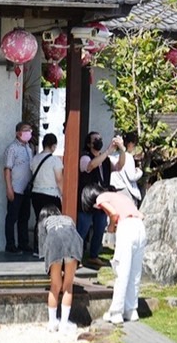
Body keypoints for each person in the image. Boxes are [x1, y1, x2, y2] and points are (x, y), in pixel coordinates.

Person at [93, 183, 146, 325]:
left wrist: (110, 229)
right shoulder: (123, 197)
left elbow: (114, 214)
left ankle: (116, 313)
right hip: (140, 227)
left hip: (127, 227)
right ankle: (131, 310)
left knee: (122, 272)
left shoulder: (101, 197)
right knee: (135, 273)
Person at [38, 202, 82, 332]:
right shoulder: (68, 218)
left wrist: (49, 264)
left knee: (55, 285)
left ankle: (52, 322)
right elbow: (73, 233)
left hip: (54, 242)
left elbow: (43, 248)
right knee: (68, 285)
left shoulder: (44, 223)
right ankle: (64, 323)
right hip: (73, 242)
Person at [77, 131, 115, 266]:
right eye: (95, 140)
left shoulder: (106, 160)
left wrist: (121, 150)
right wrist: (107, 152)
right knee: (83, 228)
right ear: (89, 143)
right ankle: (76, 257)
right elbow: (90, 166)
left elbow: (119, 167)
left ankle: (94, 255)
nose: (98, 141)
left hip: (102, 199)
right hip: (87, 200)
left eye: (100, 139)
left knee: (100, 228)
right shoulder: (85, 158)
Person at [28, 134, 64, 255]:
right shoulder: (55, 161)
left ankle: (37, 249)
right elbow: (59, 179)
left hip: (36, 194)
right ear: (53, 146)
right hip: (51, 194)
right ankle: (51, 249)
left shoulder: (35, 159)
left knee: (39, 220)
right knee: (53, 222)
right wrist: (63, 194)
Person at [2, 122, 35, 254]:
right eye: (25, 130)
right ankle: (10, 244)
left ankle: (23, 243)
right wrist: (9, 188)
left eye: (29, 130)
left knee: (24, 217)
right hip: (15, 188)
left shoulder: (29, 148)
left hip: (26, 189)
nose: (28, 132)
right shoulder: (12, 148)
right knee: (12, 217)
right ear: (18, 133)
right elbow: (7, 169)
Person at [108, 136, 142, 205]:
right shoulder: (128, 157)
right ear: (130, 144)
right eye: (134, 145)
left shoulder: (112, 155)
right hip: (124, 190)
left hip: (113, 189)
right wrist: (139, 172)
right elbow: (132, 177)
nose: (134, 147)